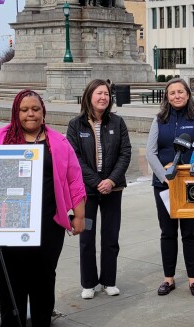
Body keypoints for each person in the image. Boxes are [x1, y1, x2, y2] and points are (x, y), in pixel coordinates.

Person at [0, 89, 87, 327]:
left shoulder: (58, 142)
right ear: (16, 112)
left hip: (48, 220)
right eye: (25, 109)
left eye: (36, 109)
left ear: (43, 112)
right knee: (9, 277)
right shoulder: (0, 138)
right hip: (9, 221)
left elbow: (75, 180)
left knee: (43, 274)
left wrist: (80, 215)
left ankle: (42, 324)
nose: (30, 114)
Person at [67, 79, 132, 299]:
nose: (103, 97)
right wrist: (95, 181)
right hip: (86, 192)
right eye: (99, 93)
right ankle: (89, 283)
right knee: (86, 236)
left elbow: (125, 153)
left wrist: (111, 181)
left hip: (113, 190)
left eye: (106, 94)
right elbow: (74, 158)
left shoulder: (117, 122)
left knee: (111, 236)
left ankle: (108, 281)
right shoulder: (76, 125)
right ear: (89, 96)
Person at [145, 78, 194, 296]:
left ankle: (193, 279)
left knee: (190, 233)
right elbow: (150, 152)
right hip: (164, 184)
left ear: (188, 94)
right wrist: (165, 177)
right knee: (167, 232)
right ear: (166, 97)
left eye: (180, 92)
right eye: (172, 93)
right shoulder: (159, 120)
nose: (176, 96)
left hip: (190, 186)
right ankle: (168, 279)